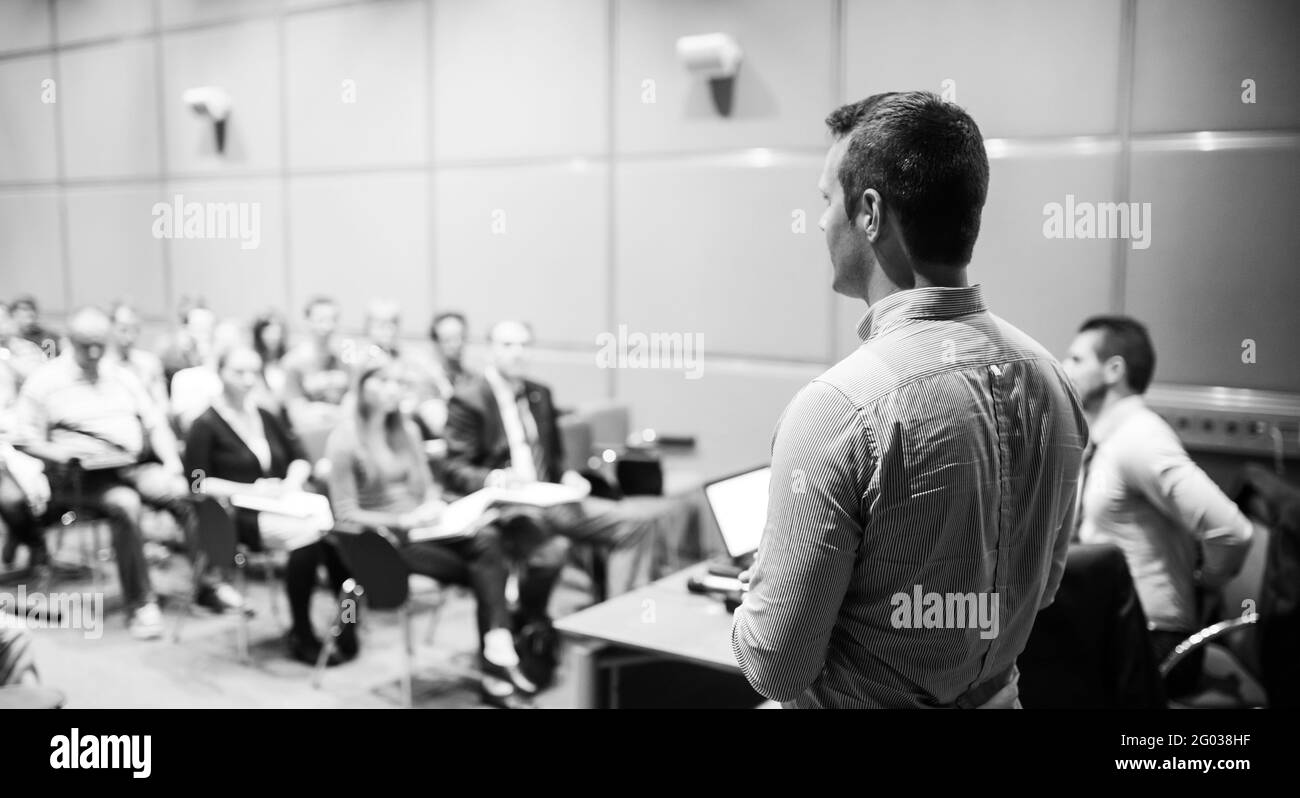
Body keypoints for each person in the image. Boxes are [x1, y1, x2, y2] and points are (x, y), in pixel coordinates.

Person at [730, 91, 1088, 708]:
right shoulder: (1051, 377)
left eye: (825, 201)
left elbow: (777, 665)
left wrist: (762, 598)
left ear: (870, 212)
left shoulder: (838, 408)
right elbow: (1042, 586)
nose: (820, 222)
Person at [326, 358, 541, 706]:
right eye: (382, 381)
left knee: (488, 541)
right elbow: (345, 513)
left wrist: (430, 506)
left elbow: (428, 486)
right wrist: (402, 521)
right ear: (362, 385)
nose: (392, 389)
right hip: (384, 541)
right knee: (488, 565)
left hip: (425, 531)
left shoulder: (407, 430)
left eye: (398, 382)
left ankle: (496, 651)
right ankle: (497, 657)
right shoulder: (345, 439)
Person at [1062, 315, 1256, 696]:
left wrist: (1205, 585)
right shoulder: (1109, 437)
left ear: (1113, 370)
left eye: (1077, 360)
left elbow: (1233, 532)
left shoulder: (1140, 437)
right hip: (1115, 628)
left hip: (1152, 642)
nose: (1065, 369)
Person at [443, 320, 697, 601]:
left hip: (552, 497)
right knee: (552, 551)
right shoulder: (469, 399)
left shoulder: (539, 393)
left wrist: (568, 475)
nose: (518, 352)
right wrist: (494, 477)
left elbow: (553, 458)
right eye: (507, 345)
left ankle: (618, 620)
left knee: (635, 525)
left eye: (524, 345)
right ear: (490, 351)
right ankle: (532, 623)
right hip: (509, 504)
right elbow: (453, 469)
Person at [13, 306, 206, 639]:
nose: (93, 352)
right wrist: (59, 453)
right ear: (70, 340)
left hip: (130, 465)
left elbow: (155, 422)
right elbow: (24, 438)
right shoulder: (45, 381)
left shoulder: (121, 375)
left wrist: (173, 463)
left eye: (99, 344)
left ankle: (208, 583)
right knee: (126, 505)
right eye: (85, 344)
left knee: (186, 493)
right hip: (82, 477)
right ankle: (141, 605)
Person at [184, 345, 345, 665]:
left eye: (252, 372)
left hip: (283, 502)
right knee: (309, 537)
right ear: (220, 374)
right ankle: (302, 631)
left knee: (336, 534)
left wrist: (290, 483)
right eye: (238, 372)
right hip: (238, 515)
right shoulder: (205, 424)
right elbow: (197, 482)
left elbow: (299, 458)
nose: (247, 380)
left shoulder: (265, 414)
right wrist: (252, 490)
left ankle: (346, 624)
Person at [282, 296, 350, 433]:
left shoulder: (346, 361)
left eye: (333, 320)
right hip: (308, 437)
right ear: (307, 322)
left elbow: (352, 410)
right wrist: (334, 413)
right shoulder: (293, 362)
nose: (327, 326)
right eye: (321, 320)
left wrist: (320, 410)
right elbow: (296, 413)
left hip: (340, 435)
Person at [108, 302, 168, 411]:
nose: (129, 337)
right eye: (123, 329)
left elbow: (162, 404)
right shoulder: (101, 365)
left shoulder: (149, 363)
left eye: (134, 330)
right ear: (111, 328)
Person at [159, 298, 215, 390]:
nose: (206, 334)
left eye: (210, 327)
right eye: (200, 327)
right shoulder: (170, 352)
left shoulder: (216, 354)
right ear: (184, 328)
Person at [251, 310, 290, 409]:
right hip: (265, 411)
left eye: (277, 333)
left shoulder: (288, 360)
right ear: (259, 335)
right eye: (268, 332)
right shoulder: (254, 362)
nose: (274, 337)